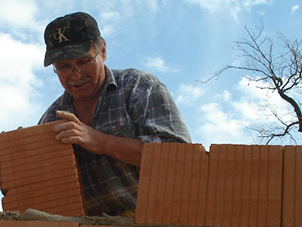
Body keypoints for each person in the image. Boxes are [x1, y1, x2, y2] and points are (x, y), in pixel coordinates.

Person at [39, 12, 191, 216]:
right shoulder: (51, 119)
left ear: (102, 51)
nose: (75, 74)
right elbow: (41, 188)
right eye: (64, 66)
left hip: (157, 223)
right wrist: (17, 160)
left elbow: (182, 159)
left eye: (83, 61)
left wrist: (100, 142)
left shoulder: (139, 87)